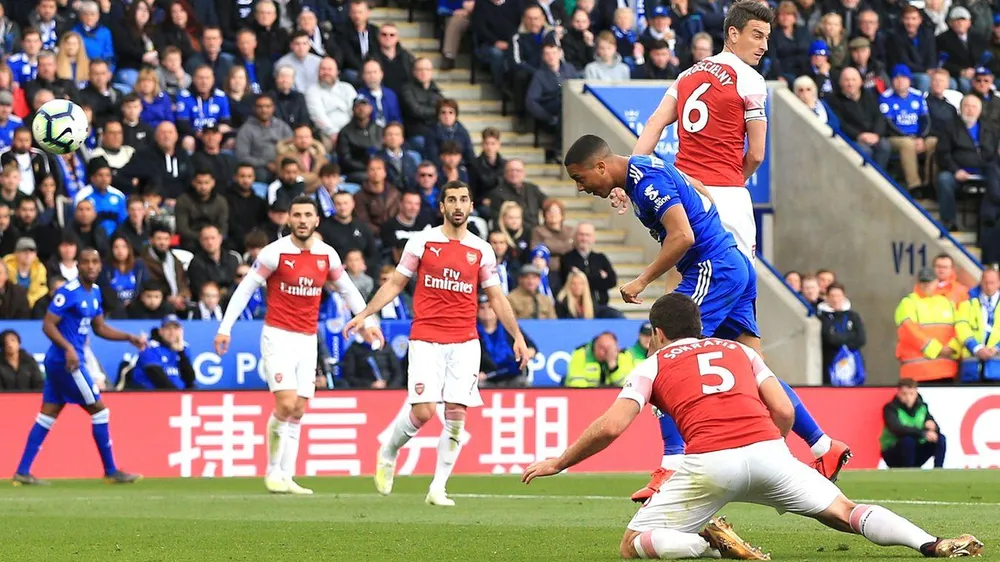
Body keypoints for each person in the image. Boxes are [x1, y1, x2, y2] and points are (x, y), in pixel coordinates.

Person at [522, 292, 983, 560]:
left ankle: (704, 542)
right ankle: (931, 543)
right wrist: (773, 451)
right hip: (769, 451)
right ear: (701, 325)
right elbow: (782, 409)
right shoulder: (739, 351)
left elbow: (611, 426)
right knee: (846, 513)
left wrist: (559, 462)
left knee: (632, 545)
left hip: (706, 464)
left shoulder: (654, 362)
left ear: (657, 332)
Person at [564, 134, 851, 505]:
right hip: (734, 265)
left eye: (581, 178)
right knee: (756, 371)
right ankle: (823, 445)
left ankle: (671, 463)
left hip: (712, 268)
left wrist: (643, 279)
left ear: (601, 166)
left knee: (663, 358)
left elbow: (682, 236)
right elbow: (696, 187)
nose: (581, 187)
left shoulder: (645, 181)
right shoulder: (645, 169)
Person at [343, 181, 529, 507]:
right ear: (442, 206)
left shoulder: (481, 249)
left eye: (464, 200)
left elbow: (496, 297)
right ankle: (388, 451)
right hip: (426, 337)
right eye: (452, 200)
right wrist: (365, 314)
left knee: (457, 415)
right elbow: (396, 283)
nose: (458, 206)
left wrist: (517, 336)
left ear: (471, 206)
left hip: (465, 342)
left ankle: (438, 488)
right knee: (425, 411)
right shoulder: (422, 242)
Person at [214, 196, 379, 495]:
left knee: (299, 409)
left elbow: (348, 290)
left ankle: (287, 476)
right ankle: (272, 471)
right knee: (286, 403)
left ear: (316, 221)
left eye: (308, 215)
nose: (302, 220)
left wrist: (366, 323)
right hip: (277, 335)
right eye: (297, 215)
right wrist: (225, 328)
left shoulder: (327, 255)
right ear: (289, 219)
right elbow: (245, 289)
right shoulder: (274, 253)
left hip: (307, 339)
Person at [13, 248, 145, 486]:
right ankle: (111, 470)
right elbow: (48, 324)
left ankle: (23, 470)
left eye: (95, 262)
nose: (91, 266)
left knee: (48, 414)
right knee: (100, 410)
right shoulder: (69, 292)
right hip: (67, 362)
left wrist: (129, 337)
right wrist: (69, 348)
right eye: (86, 262)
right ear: (78, 266)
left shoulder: (94, 292)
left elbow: (100, 328)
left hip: (63, 361)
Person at [895, 267, 961, 383]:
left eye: (929, 282)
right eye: (923, 282)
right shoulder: (908, 303)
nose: (926, 285)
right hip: (917, 372)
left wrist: (952, 347)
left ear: (936, 282)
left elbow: (959, 327)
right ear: (918, 283)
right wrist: (937, 349)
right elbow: (909, 331)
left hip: (946, 370)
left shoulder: (947, 303)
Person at [880, 378, 947, 468]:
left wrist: (934, 427)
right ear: (898, 393)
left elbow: (933, 426)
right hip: (894, 451)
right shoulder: (890, 409)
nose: (908, 398)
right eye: (904, 394)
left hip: (916, 449)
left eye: (911, 394)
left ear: (916, 393)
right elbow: (897, 429)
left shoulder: (922, 407)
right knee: (908, 441)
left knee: (940, 439)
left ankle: (938, 470)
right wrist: (922, 433)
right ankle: (909, 471)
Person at [955, 267, 1000, 382]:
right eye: (985, 283)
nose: (989, 286)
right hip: (972, 368)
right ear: (980, 282)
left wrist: (996, 348)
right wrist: (976, 348)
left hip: (997, 367)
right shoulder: (967, 303)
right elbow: (961, 327)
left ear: (998, 283)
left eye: (992, 283)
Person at [130, 314, 195, 390]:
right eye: (168, 328)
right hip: (153, 395)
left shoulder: (184, 347)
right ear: (161, 331)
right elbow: (157, 376)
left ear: (181, 331)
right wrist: (177, 395)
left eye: (176, 329)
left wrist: (181, 353)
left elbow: (190, 379)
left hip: (179, 395)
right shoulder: (150, 347)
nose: (172, 332)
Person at [565, 331, 637, 387]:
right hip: (587, 399)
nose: (605, 353)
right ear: (595, 345)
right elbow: (577, 384)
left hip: (614, 399)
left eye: (609, 349)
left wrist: (613, 366)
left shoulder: (624, 356)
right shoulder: (580, 354)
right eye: (601, 348)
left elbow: (627, 386)